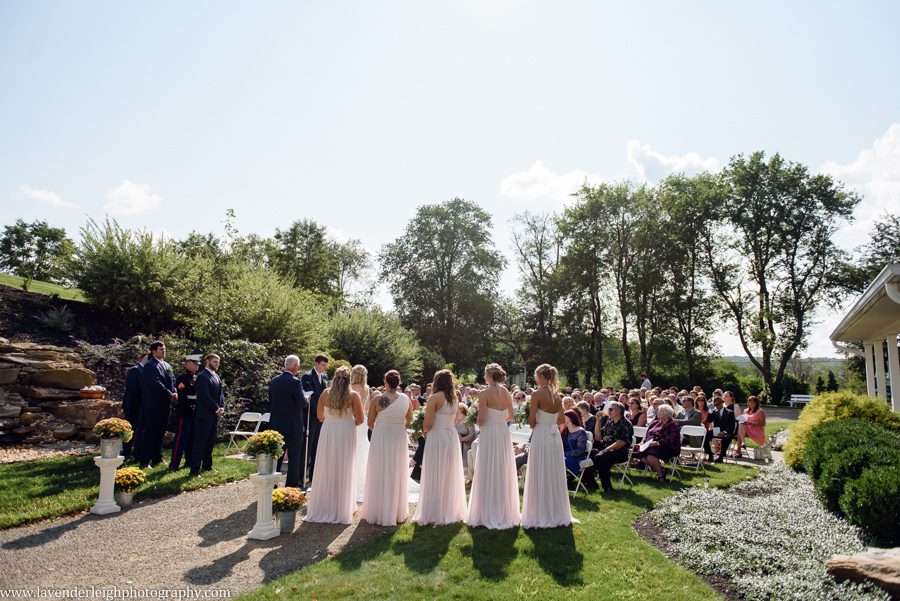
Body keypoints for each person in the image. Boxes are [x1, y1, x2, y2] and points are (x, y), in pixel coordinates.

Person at [305, 366, 364, 524]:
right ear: (349, 379)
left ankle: (324, 505)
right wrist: (346, 422)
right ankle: (342, 507)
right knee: (344, 466)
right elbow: (360, 420)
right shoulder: (353, 395)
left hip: (328, 431)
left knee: (327, 465)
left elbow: (319, 416)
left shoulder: (325, 393)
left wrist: (332, 420)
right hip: (346, 432)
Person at [467, 363, 520, 529]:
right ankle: (503, 509)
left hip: (490, 432)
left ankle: (487, 510)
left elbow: (481, 419)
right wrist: (498, 419)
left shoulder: (484, 393)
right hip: (503, 432)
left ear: (489, 376)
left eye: (485, 374)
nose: (484, 377)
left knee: (488, 466)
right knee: (502, 467)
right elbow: (511, 414)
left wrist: (474, 415)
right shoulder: (505, 391)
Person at [521, 363, 575, 528]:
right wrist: (548, 419)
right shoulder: (557, 395)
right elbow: (560, 420)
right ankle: (555, 510)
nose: (535, 378)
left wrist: (535, 421)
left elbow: (531, 420)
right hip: (554, 435)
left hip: (542, 434)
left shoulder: (537, 394)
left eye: (536, 376)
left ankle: (539, 511)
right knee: (553, 469)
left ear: (542, 377)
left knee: (540, 468)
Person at [412, 370, 467, 525]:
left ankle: (434, 510)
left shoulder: (434, 398)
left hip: (437, 436)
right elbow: (456, 420)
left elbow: (428, 423)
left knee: (435, 470)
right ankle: (449, 509)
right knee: (449, 472)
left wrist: (423, 432)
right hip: (451, 436)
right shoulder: (455, 398)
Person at [360, 370, 412, 527]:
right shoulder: (405, 399)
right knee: (396, 468)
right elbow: (409, 421)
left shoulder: (379, 399)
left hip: (382, 435)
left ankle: (378, 509)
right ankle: (395, 510)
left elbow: (370, 423)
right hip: (398, 435)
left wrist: (383, 424)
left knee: (380, 468)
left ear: (386, 382)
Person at [267, 354, 306, 487]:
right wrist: (307, 400)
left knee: (276, 456)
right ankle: (291, 486)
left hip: (277, 424)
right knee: (294, 457)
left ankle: (273, 484)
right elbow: (301, 402)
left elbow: (271, 401)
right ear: (295, 366)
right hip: (293, 426)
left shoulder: (273, 381)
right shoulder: (295, 382)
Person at [139, 341, 177, 468]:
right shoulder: (150, 365)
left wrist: (175, 391)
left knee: (161, 432)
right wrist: (169, 394)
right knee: (151, 432)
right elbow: (155, 383)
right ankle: (145, 461)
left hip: (166, 405)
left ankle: (157, 457)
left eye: (164, 349)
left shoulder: (167, 365)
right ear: (153, 351)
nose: (164, 351)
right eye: (161, 349)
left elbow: (173, 380)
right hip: (154, 404)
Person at [190, 353, 225, 476]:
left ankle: (207, 466)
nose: (217, 364)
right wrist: (216, 408)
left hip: (214, 415)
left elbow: (221, 394)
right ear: (207, 361)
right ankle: (194, 469)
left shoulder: (216, 376)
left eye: (218, 362)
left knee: (210, 442)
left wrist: (222, 407)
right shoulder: (202, 376)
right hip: (204, 415)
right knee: (200, 442)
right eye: (215, 361)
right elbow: (204, 395)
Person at [591, 401, 634, 493]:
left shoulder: (625, 423)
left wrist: (606, 449)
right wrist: (598, 421)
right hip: (608, 450)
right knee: (590, 454)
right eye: (608, 409)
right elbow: (598, 437)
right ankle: (591, 483)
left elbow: (621, 442)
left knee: (600, 458)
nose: (608, 411)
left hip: (620, 452)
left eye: (611, 409)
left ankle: (606, 487)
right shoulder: (610, 423)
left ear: (618, 411)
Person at [300, 354, 329, 485]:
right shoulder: (307, 376)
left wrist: (324, 412)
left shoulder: (324, 377)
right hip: (310, 416)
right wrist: (317, 412)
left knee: (317, 447)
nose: (324, 368)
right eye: (323, 365)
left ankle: (313, 476)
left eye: (325, 365)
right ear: (316, 363)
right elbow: (307, 397)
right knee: (307, 445)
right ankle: (302, 476)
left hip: (321, 417)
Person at [168, 354, 200, 471]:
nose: (197, 366)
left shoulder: (195, 378)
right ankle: (173, 465)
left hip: (194, 413)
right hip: (185, 413)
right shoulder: (183, 378)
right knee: (180, 440)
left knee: (191, 439)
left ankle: (189, 461)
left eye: (197, 364)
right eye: (194, 363)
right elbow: (182, 397)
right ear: (187, 364)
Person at [633, 404, 680, 482]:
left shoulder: (672, 425)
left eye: (660, 411)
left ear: (666, 414)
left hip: (668, 446)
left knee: (650, 455)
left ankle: (660, 476)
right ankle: (661, 469)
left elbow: (671, 438)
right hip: (650, 445)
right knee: (639, 452)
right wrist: (642, 442)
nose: (658, 412)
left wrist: (658, 443)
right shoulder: (655, 423)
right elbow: (647, 435)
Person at [350, 365, 370, 502]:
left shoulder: (352, 388)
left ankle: (353, 483)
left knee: (353, 449)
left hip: (354, 419)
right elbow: (366, 407)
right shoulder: (366, 388)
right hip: (363, 419)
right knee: (362, 448)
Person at [122, 355, 146, 459]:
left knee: (139, 429)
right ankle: (126, 452)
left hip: (141, 405)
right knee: (130, 428)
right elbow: (133, 389)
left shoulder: (146, 371)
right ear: (141, 359)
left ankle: (137, 452)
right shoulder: (135, 370)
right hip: (132, 405)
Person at [562, 410, 589, 476]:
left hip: (577, 457)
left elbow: (580, 450)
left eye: (564, 417)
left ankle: (566, 481)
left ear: (570, 418)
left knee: (560, 460)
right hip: (565, 455)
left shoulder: (580, 432)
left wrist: (564, 454)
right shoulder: (565, 431)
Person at [456, 404, 478, 470]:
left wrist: (462, 439)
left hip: (465, 445)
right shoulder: (453, 419)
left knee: (464, 466)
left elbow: (472, 434)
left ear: (462, 409)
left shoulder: (467, 420)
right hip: (455, 444)